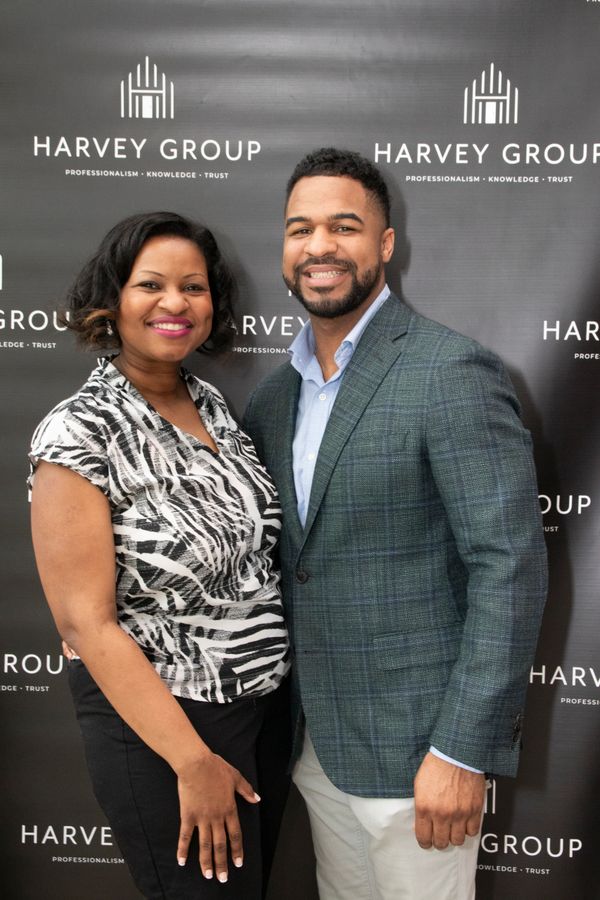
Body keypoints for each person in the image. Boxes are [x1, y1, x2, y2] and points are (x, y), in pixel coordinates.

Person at [243, 148, 548, 900]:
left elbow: (508, 566)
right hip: (315, 749)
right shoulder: (271, 399)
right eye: (300, 229)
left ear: (385, 244)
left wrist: (462, 750)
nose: (319, 246)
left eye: (344, 226)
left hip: (422, 756)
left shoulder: (450, 372)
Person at [28, 211, 291, 900]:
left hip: (257, 710)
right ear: (111, 300)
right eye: (151, 285)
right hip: (166, 724)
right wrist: (191, 761)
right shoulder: (79, 431)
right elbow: (85, 624)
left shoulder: (211, 405)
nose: (175, 302)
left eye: (193, 287)